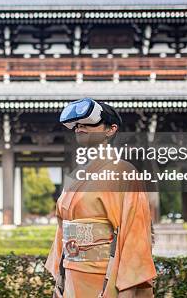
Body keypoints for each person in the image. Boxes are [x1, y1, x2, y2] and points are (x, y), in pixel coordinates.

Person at [45, 98, 156, 298]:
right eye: (77, 124)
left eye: (89, 123)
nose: (80, 127)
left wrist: (126, 289)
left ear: (110, 129)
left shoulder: (124, 172)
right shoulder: (75, 175)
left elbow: (136, 234)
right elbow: (63, 230)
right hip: (71, 273)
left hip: (105, 276)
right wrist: (60, 280)